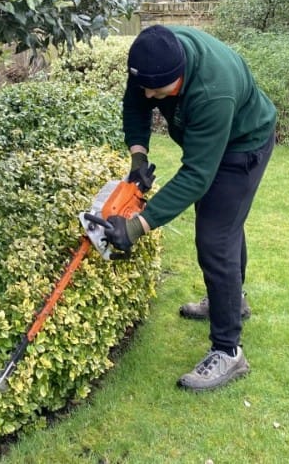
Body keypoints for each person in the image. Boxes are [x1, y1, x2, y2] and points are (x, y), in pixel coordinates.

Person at [91, 24, 276, 391]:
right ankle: (232, 301)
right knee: (224, 226)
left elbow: (196, 176)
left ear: (178, 78)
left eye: (156, 91)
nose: (147, 94)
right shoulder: (152, 57)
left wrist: (137, 225)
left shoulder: (212, 91)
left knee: (215, 238)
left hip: (244, 146)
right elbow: (136, 103)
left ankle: (228, 351)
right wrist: (138, 158)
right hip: (218, 143)